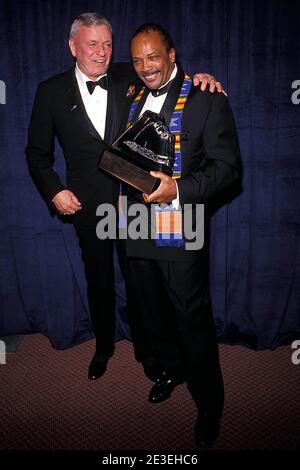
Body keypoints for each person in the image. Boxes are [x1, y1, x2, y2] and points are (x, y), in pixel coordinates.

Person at [25, 12, 225, 383]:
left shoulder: (127, 74)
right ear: (73, 47)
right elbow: (37, 155)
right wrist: (55, 191)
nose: (102, 52)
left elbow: (164, 70)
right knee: (99, 279)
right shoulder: (50, 91)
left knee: (143, 284)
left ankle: (151, 355)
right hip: (90, 206)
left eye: (107, 44)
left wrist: (202, 78)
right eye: (92, 44)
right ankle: (104, 347)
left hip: (136, 203)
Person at [122, 24, 241, 449]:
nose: (145, 67)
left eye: (153, 57)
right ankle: (170, 369)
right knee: (151, 310)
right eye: (136, 60)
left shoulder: (206, 98)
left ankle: (210, 404)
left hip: (180, 221)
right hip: (133, 220)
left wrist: (179, 188)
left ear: (172, 54)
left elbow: (228, 169)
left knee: (191, 317)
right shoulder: (131, 91)